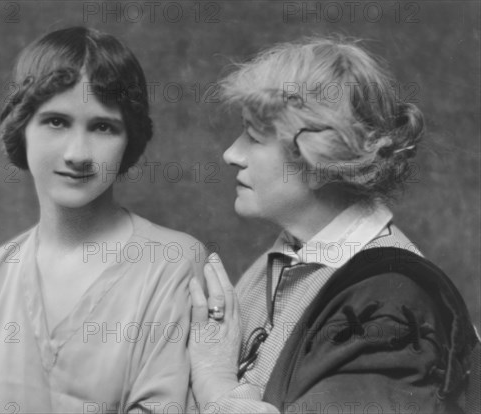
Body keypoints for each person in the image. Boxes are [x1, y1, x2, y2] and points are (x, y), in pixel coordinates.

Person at [188, 37, 479, 413]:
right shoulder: (282, 260)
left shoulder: (390, 305)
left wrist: (215, 380)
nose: (231, 154)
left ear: (318, 163)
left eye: (254, 137)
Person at [0, 26, 205, 413]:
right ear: (21, 126)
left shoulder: (174, 264)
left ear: (130, 139)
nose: (78, 153)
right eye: (56, 122)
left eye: (103, 127)